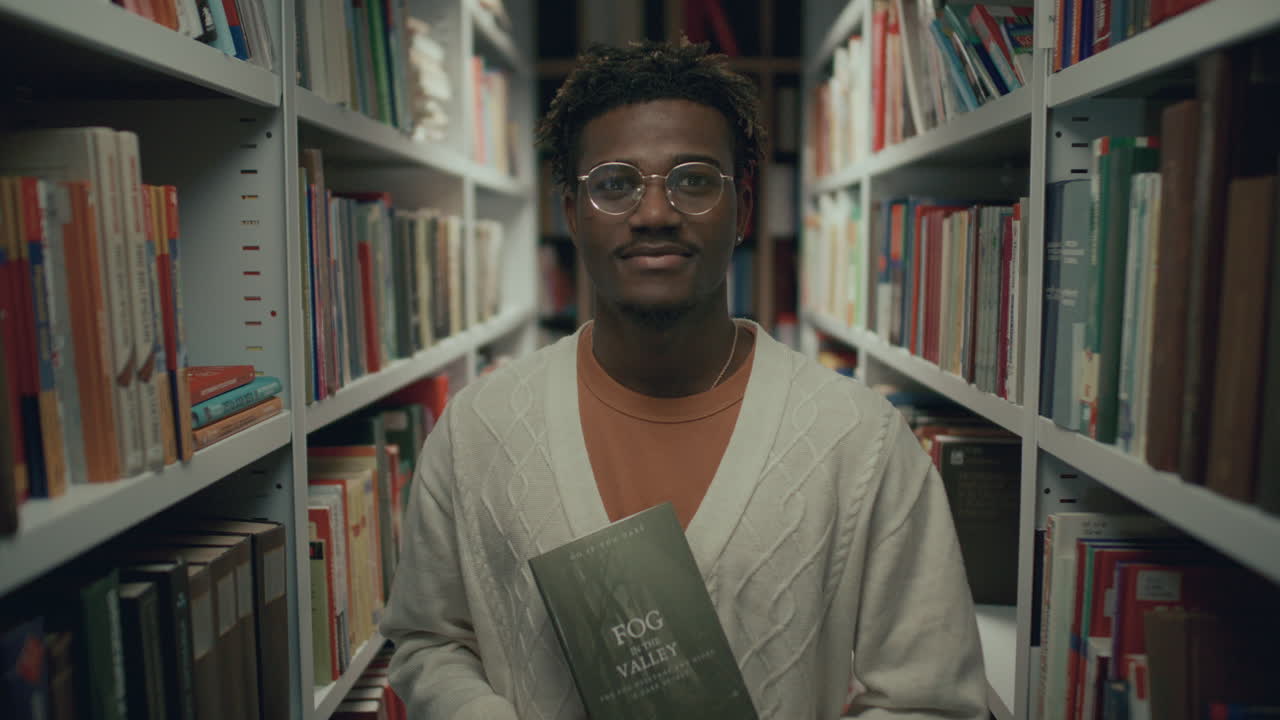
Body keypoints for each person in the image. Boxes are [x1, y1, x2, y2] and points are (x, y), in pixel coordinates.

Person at [379, 39, 988, 719]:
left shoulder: (861, 442)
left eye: (694, 179)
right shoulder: (477, 429)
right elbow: (428, 638)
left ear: (744, 209)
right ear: (571, 214)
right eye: (615, 183)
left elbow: (928, 696)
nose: (655, 213)